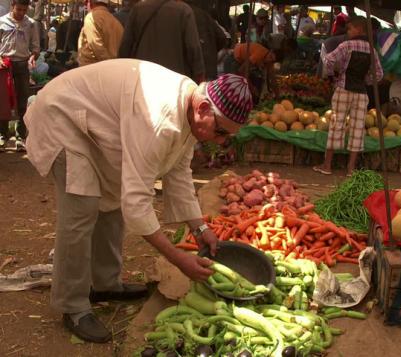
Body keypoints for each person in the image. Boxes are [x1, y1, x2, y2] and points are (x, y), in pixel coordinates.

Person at [24, 59, 253, 343]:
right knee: (81, 209)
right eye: (221, 132)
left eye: (227, 137)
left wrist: (199, 228)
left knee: (109, 200)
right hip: (63, 116)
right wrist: (178, 258)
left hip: (92, 125)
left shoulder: (190, 106)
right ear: (204, 107)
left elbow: (178, 172)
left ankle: (104, 284)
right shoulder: (160, 118)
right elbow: (137, 202)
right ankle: (73, 306)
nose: (220, 142)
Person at [314, 16, 383, 176]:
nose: (349, 32)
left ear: (359, 29)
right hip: (361, 93)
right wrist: (366, 80)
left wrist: (334, 75)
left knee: (336, 124)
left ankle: (327, 165)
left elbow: (328, 60)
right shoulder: (372, 50)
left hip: (343, 90)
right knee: (357, 128)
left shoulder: (347, 45)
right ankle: (351, 169)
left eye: (350, 28)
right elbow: (378, 74)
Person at [119, 0, 205, 84]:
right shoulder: (184, 10)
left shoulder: (138, 9)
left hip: (143, 77)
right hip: (175, 79)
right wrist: (199, 76)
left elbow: (125, 46)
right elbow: (193, 48)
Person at [0, 0, 39, 152]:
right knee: (3, 102)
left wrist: (33, 56)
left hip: (23, 65)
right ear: (12, 6)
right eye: (19, 10)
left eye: (24, 10)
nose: (21, 13)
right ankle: (2, 135)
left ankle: (20, 137)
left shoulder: (31, 24)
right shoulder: (2, 22)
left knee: (23, 101)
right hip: (4, 66)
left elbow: (35, 47)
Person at [184, 0, 227, 80]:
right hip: (208, 68)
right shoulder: (204, 15)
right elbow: (222, 38)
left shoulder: (182, 12)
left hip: (191, 73)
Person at [77, 0, 123, 66]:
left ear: (90, 2)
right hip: (114, 66)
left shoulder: (91, 18)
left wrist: (108, 65)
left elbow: (96, 46)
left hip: (94, 69)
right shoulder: (116, 22)